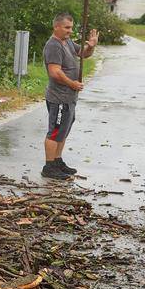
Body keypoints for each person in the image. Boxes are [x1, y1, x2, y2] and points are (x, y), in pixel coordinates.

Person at [42, 11, 97, 179]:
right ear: (56, 26)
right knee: (55, 131)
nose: (70, 31)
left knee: (63, 131)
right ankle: (49, 167)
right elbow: (55, 72)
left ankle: (57, 161)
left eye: (71, 28)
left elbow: (83, 54)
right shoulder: (53, 45)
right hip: (59, 97)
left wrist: (91, 46)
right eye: (67, 27)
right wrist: (72, 83)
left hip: (69, 98)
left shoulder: (67, 42)